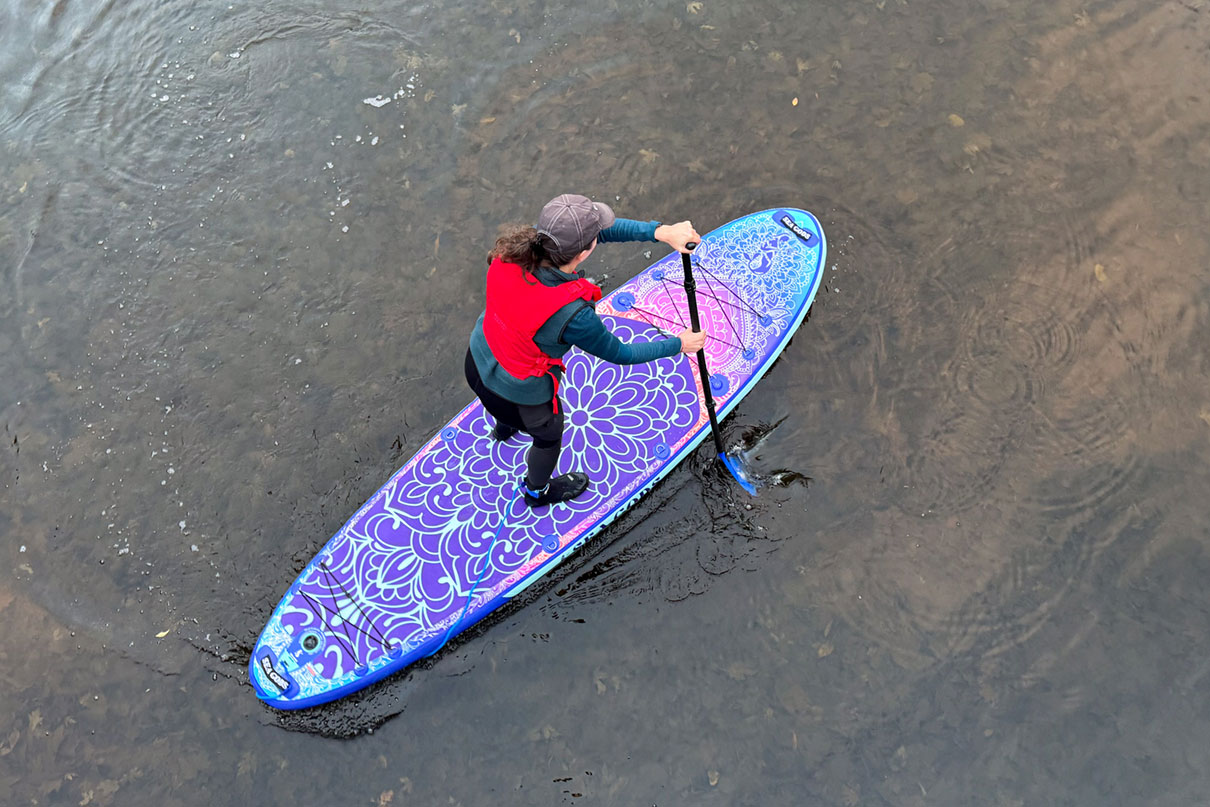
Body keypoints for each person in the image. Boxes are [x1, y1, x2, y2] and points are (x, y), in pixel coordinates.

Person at [465, 193, 707, 509]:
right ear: (583, 253)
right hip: (520, 399)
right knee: (549, 436)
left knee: (502, 404)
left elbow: (595, 233)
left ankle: (503, 430)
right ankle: (537, 492)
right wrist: (679, 344)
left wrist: (661, 232)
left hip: (476, 361)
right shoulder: (575, 316)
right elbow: (620, 354)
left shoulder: (519, 250)